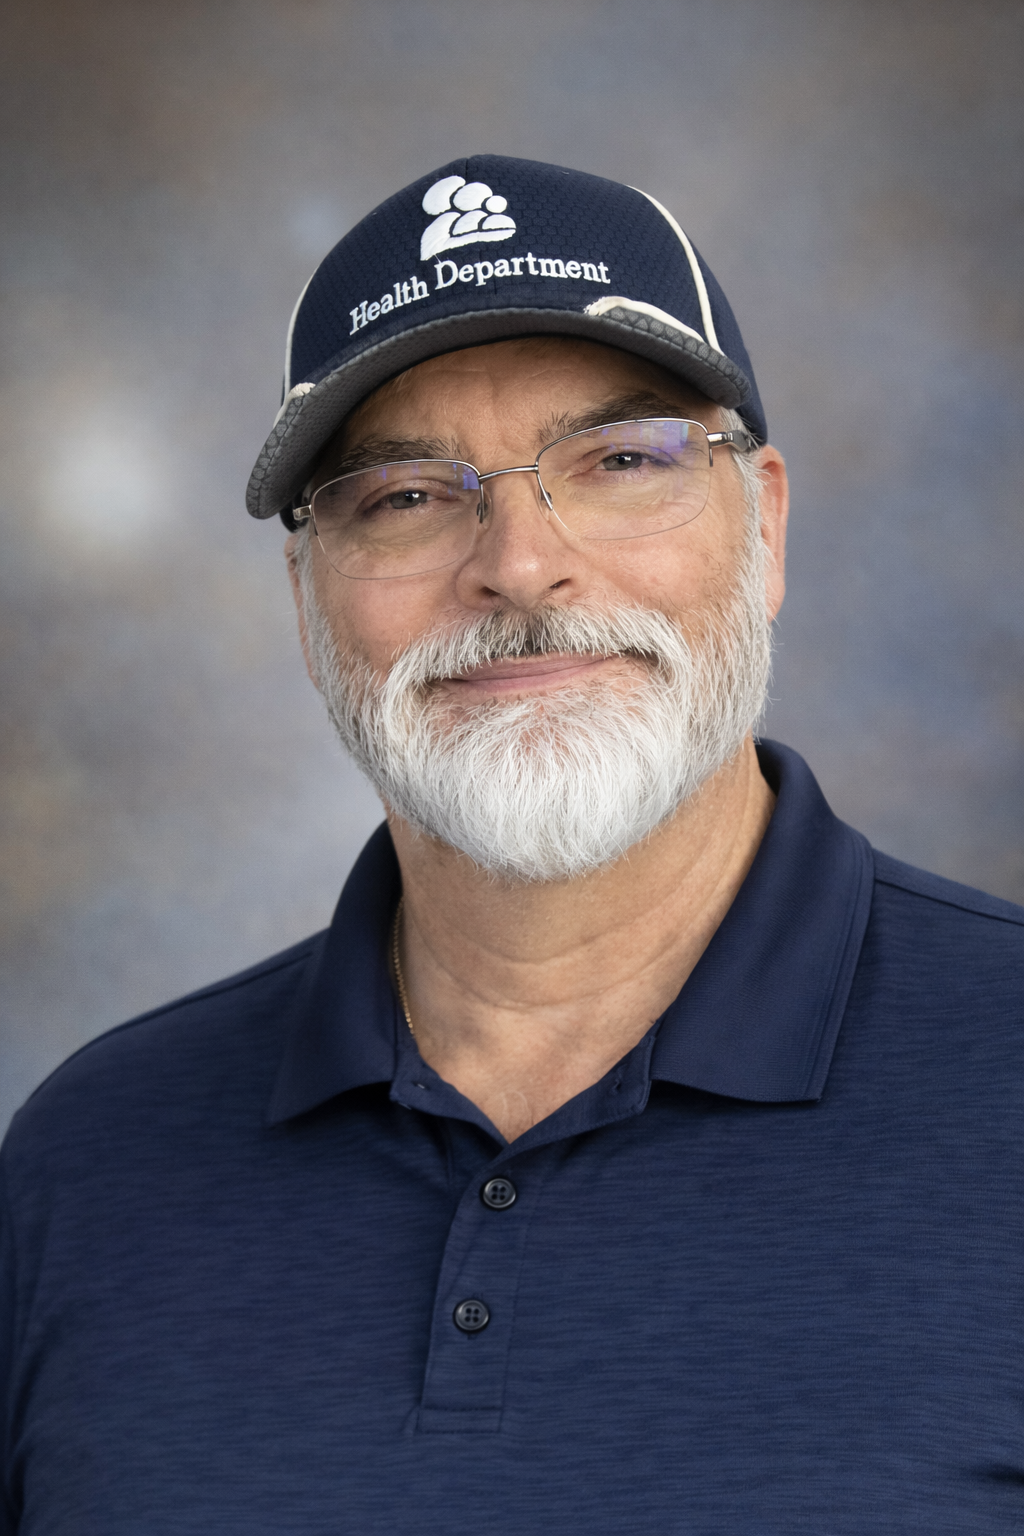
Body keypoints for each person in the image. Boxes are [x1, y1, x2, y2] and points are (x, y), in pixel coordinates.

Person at [2, 156, 1022, 1534]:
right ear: (309, 603)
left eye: (621, 462)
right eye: (410, 495)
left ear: (765, 524)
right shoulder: (88, 1165)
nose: (520, 562)